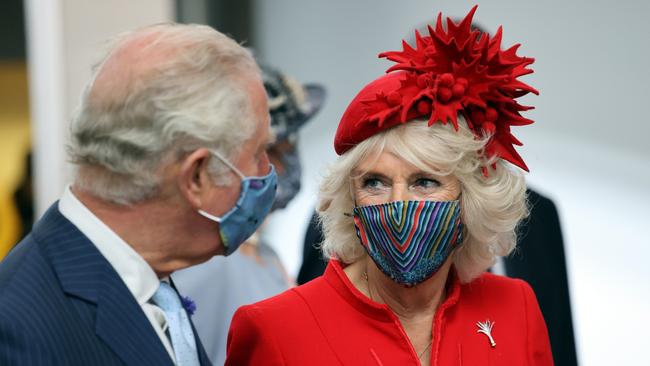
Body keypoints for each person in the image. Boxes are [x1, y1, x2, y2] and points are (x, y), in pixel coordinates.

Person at [226, 6, 553, 365]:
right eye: (375, 182)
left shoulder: (515, 306)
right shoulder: (275, 328)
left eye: (424, 181)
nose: (399, 205)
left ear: (470, 200)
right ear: (349, 198)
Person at [0, 23, 277, 366]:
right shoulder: (18, 333)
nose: (267, 170)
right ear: (197, 176)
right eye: (258, 152)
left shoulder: (151, 286)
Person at [173, 63, 325, 365]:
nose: (283, 165)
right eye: (267, 151)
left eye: (286, 149)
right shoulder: (209, 262)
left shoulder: (262, 254)